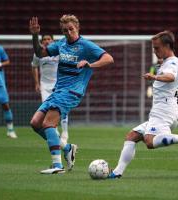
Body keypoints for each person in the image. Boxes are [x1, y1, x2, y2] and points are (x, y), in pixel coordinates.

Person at [108, 30, 178, 179]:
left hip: (164, 109)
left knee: (149, 142)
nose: (154, 51)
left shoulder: (171, 63)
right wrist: (161, 66)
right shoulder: (177, 62)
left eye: (157, 48)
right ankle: (116, 173)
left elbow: (170, 76)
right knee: (132, 136)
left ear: (167, 46)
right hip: (165, 108)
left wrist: (154, 76)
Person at [29, 15, 114, 174]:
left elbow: (109, 58)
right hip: (58, 90)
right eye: (65, 30)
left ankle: (57, 166)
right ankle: (67, 148)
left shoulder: (86, 45)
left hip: (72, 91)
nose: (68, 33)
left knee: (48, 124)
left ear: (78, 28)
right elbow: (40, 53)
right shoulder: (61, 43)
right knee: (35, 123)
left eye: (71, 29)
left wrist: (90, 64)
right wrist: (34, 35)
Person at [31, 34, 69, 147]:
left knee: (61, 108)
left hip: (58, 85)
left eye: (49, 39)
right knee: (48, 109)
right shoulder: (38, 54)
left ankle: (65, 132)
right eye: (44, 39)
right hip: (45, 85)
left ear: (53, 41)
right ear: (41, 42)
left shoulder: (58, 52)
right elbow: (34, 67)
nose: (46, 41)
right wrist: (37, 83)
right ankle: (54, 130)